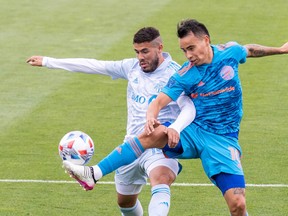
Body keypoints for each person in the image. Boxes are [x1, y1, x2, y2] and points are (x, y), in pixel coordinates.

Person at [59, 19, 288, 215]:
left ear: (206, 40)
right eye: (184, 50)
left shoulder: (229, 53)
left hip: (223, 139)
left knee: (238, 204)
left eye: (191, 48)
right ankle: (94, 173)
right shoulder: (185, 74)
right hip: (195, 131)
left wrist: (280, 49)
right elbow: (159, 100)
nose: (188, 55)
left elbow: (249, 49)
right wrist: (152, 117)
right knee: (155, 132)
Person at [27, 27, 196, 216]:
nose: (140, 57)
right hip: (131, 146)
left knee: (161, 179)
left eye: (145, 51)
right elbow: (95, 65)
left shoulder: (176, 74)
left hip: (159, 145)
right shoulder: (131, 67)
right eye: (137, 52)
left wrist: (175, 128)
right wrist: (49, 62)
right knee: (125, 203)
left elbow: (189, 107)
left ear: (160, 48)